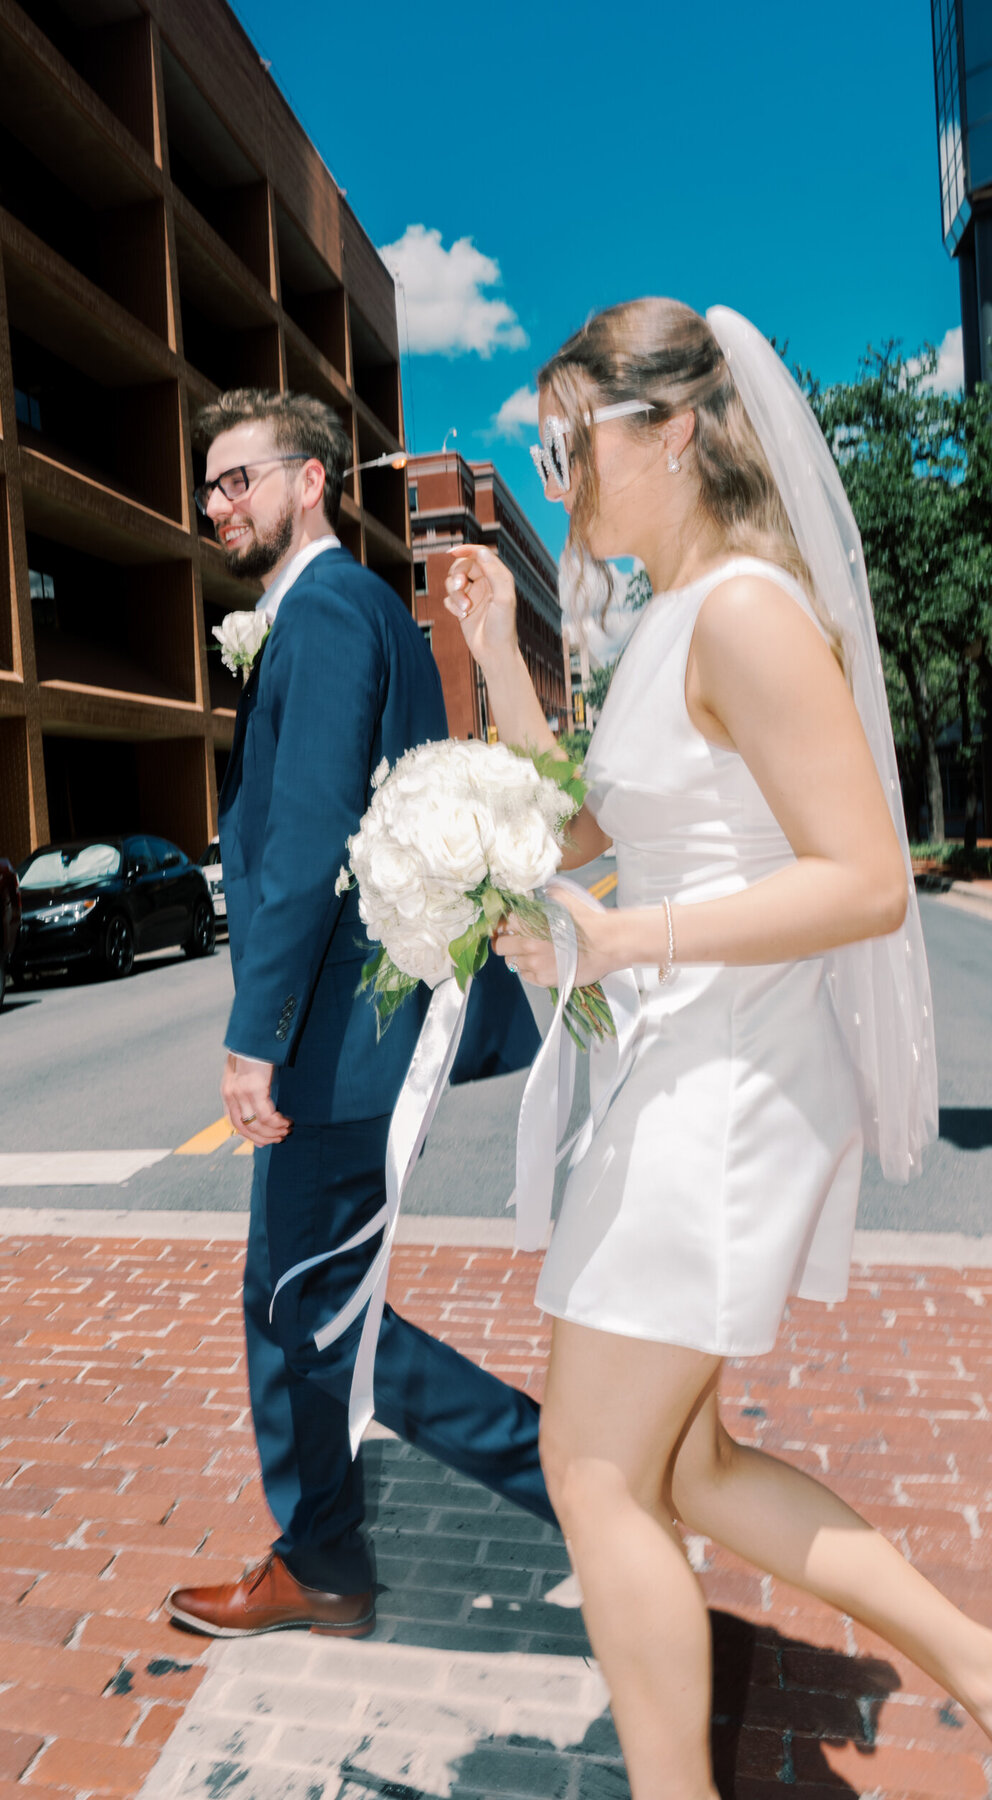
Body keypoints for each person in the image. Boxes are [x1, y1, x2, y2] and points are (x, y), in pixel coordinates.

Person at [444, 299, 990, 1800]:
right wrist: (496, 648)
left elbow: (868, 879)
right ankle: (982, 1665)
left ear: (673, 431)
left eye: (574, 443)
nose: (558, 475)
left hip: (732, 1082)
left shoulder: (748, 608)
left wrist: (627, 942)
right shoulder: (661, 619)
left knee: (597, 1469)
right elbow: (572, 826)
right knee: (685, 1466)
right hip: (672, 1070)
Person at [166, 388, 547, 1641]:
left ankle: (573, 1478)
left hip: (336, 1045)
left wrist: (253, 1037)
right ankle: (324, 1550)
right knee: (301, 1303)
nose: (220, 502)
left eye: (242, 478)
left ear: (314, 478)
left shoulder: (326, 614)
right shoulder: (360, 610)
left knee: (320, 1315)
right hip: (362, 1036)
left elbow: (307, 841)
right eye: (210, 485)